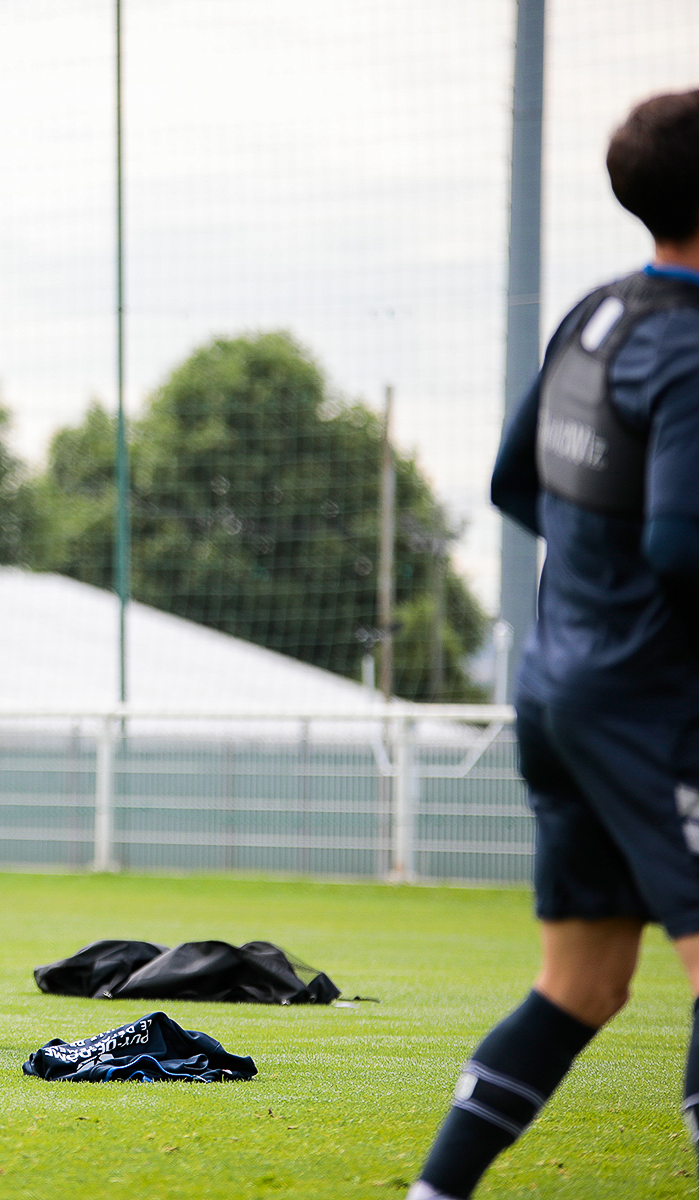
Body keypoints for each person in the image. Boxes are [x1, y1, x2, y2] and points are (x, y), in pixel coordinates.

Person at [408, 89, 699, 1199]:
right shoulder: (687, 348)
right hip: (653, 707)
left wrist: (592, 597)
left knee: (579, 986)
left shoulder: (594, 314)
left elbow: (509, 482)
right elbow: (680, 545)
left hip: (558, 690)